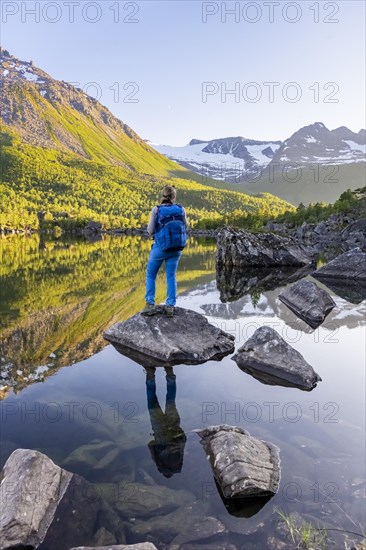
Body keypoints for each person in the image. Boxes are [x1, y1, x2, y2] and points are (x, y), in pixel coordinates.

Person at [142, 185, 189, 317]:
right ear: (174, 197)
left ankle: (150, 304)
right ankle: (170, 306)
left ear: (163, 195)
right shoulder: (181, 209)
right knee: (171, 276)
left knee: (151, 274)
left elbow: (150, 231)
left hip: (160, 247)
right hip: (176, 248)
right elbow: (186, 225)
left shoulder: (156, 209)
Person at [145, 366, 186, 478]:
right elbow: (150, 445)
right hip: (159, 429)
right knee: (152, 400)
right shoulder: (160, 464)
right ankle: (150, 373)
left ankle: (169, 372)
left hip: (174, 427)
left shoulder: (180, 458)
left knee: (171, 400)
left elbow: (183, 439)